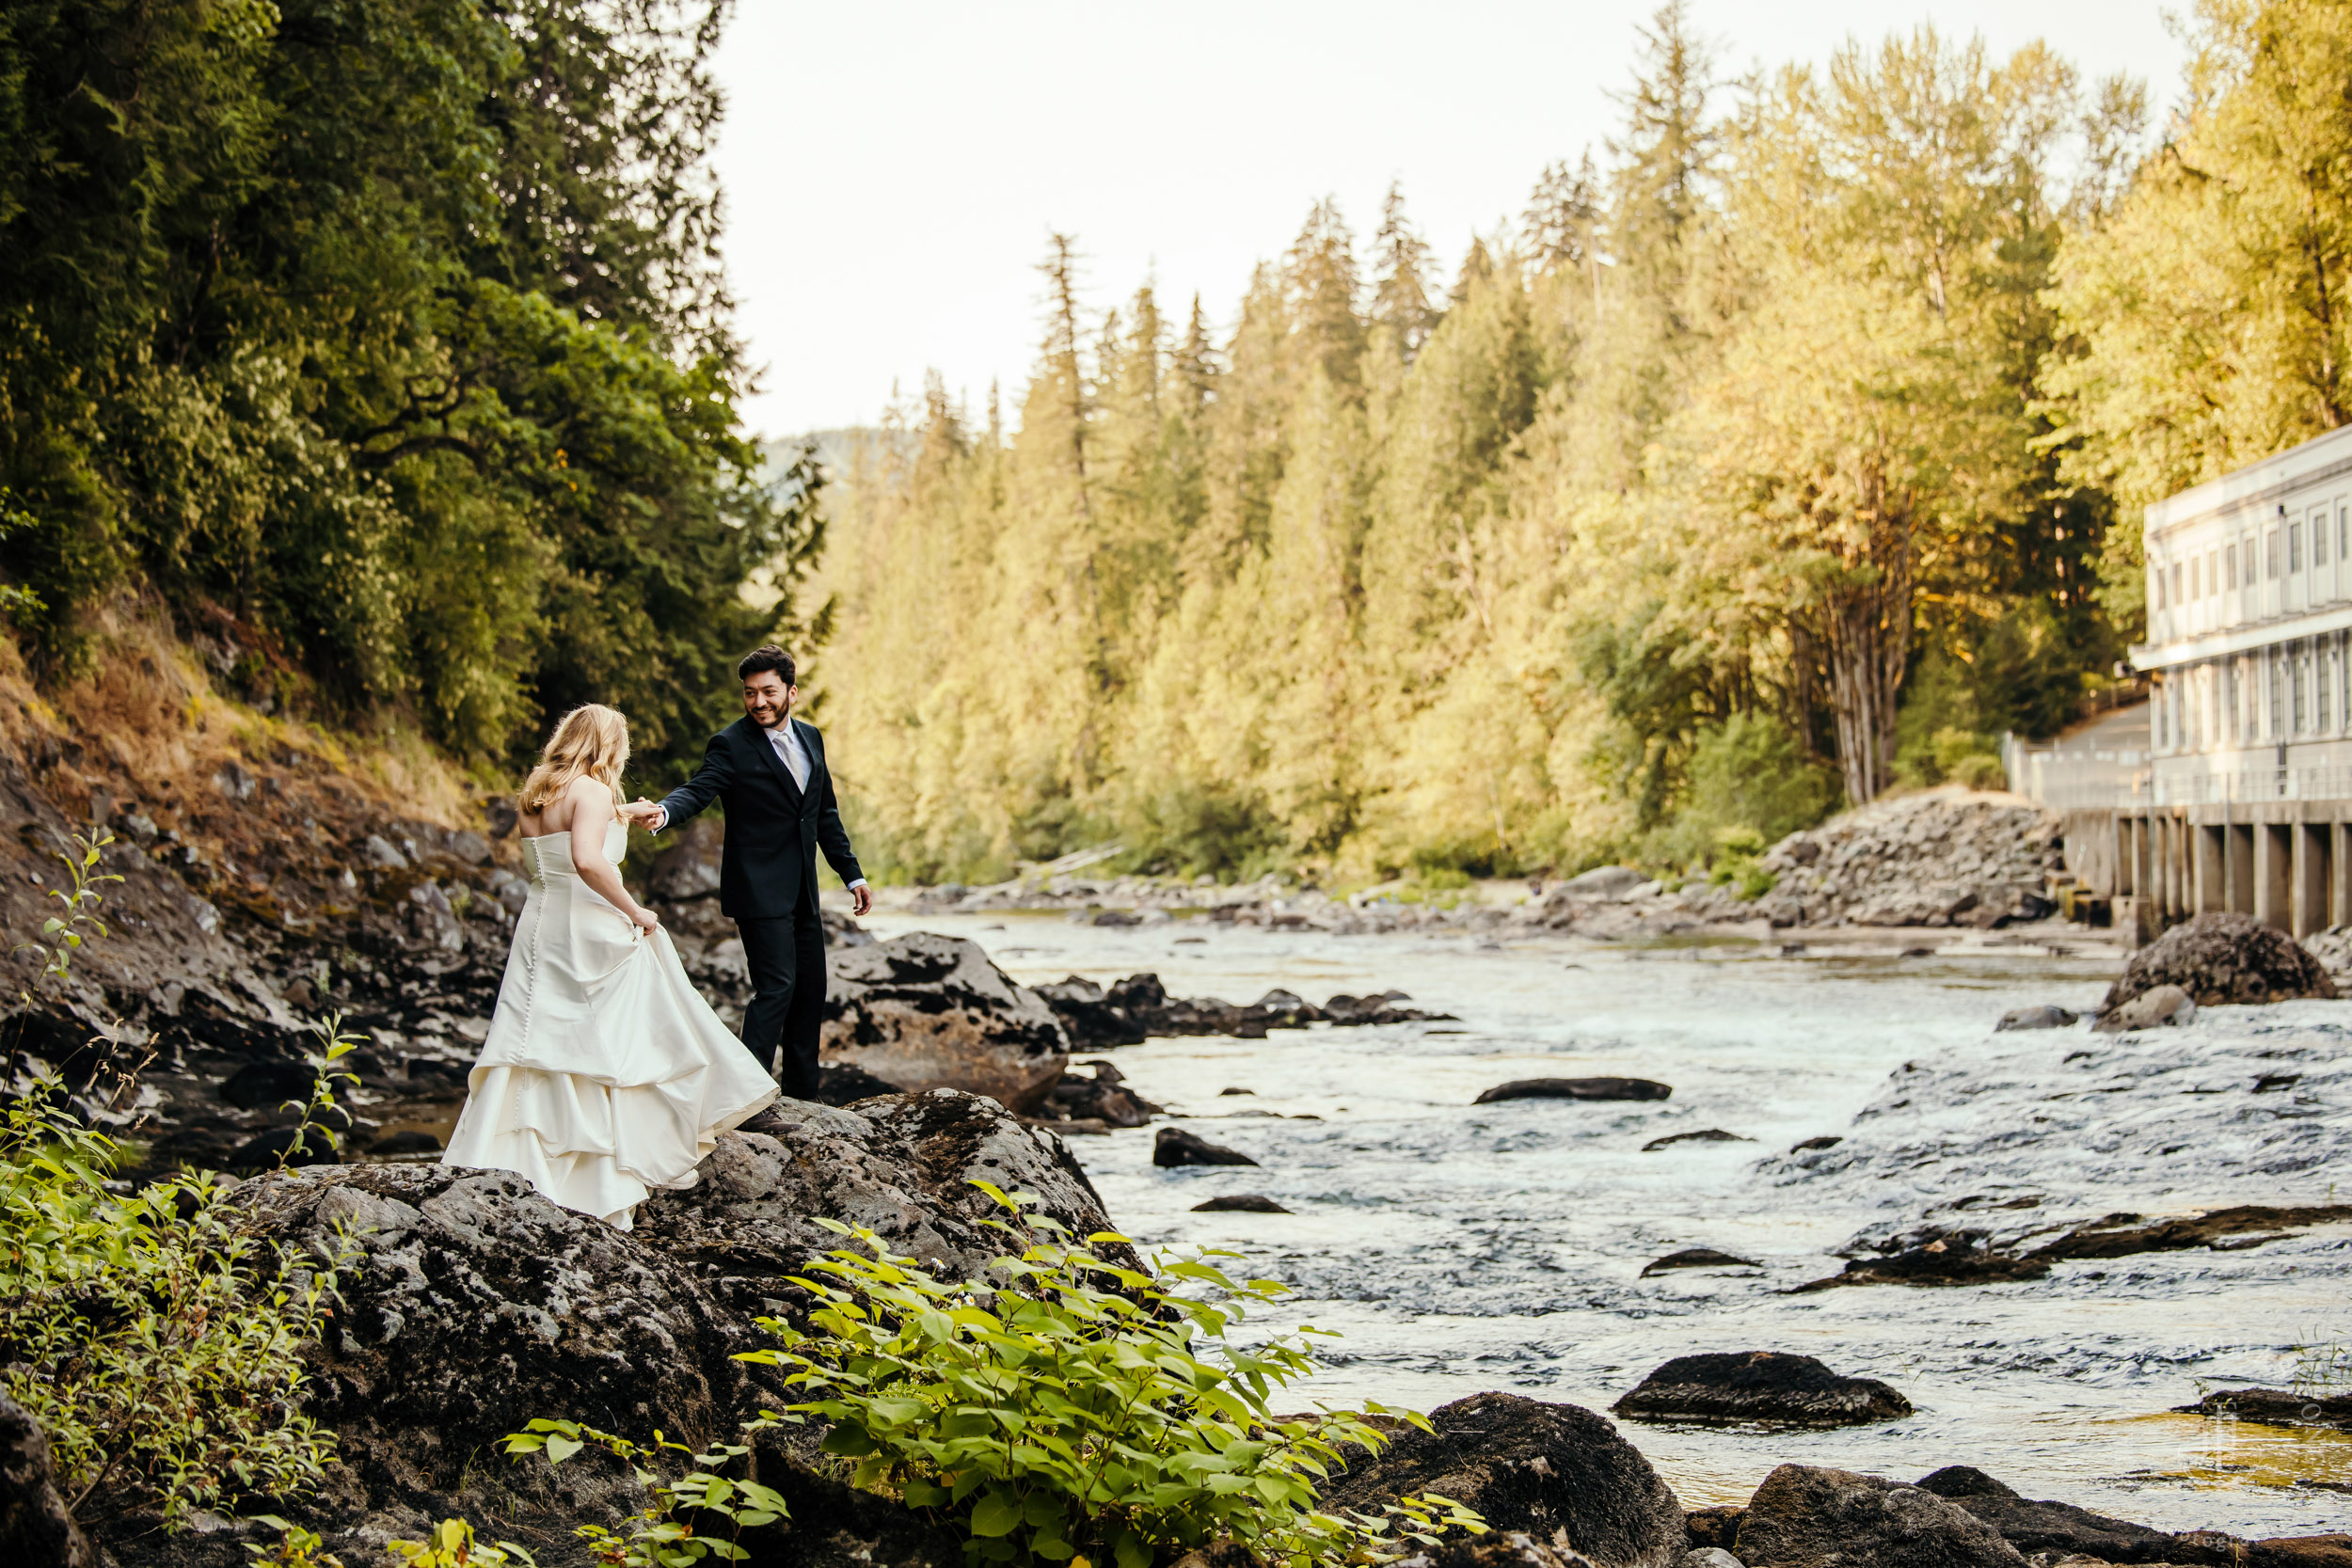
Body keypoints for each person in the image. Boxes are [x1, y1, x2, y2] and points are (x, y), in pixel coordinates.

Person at [441, 704, 777, 1228]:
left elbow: (560, 842)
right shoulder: (593, 791)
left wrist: (628, 813)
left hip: (540, 922)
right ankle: (609, 1161)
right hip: (588, 924)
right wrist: (636, 911)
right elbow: (587, 859)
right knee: (619, 1037)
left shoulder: (536, 790)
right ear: (608, 744)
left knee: (539, 1040)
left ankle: (517, 1155)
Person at [619, 645, 870, 1103]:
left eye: (769, 692)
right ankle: (745, 1100)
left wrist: (851, 875)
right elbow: (699, 789)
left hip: (803, 892)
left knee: (810, 991)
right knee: (776, 988)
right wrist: (664, 811)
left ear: (791, 692)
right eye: (750, 694)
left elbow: (824, 815)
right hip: (756, 889)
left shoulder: (812, 738)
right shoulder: (730, 744)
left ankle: (802, 1098)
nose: (759, 702)